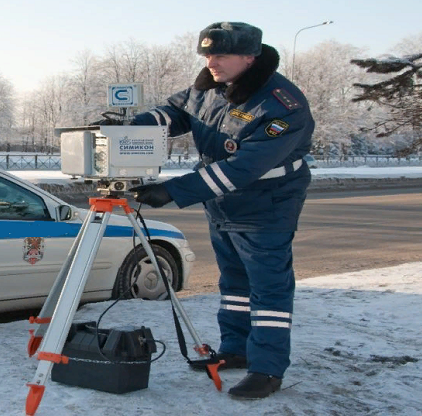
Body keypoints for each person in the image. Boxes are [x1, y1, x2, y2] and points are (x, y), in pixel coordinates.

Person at [127, 22, 315, 399]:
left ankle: (267, 368)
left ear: (250, 57)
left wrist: (172, 191)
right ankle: (236, 348)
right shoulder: (212, 87)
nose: (211, 62)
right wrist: (133, 125)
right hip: (222, 203)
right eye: (207, 55)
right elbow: (176, 112)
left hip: (266, 205)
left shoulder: (282, 105)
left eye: (220, 55)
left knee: (268, 290)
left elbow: (243, 167)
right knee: (234, 285)